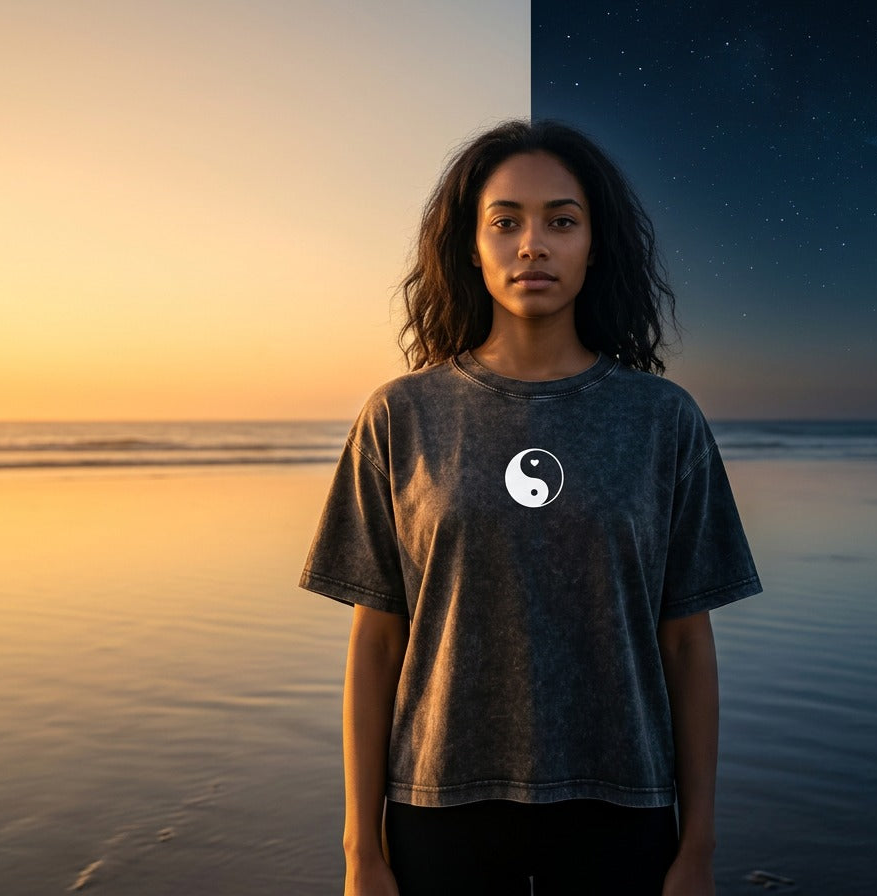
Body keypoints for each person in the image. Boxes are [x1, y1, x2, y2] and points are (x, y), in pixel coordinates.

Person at [300, 119, 761, 896]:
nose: (532, 244)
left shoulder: (661, 420)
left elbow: (686, 643)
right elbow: (378, 641)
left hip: (623, 801)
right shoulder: (402, 416)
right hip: (438, 802)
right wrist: (360, 850)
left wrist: (700, 846)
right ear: (469, 247)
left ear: (595, 244)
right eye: (505, 221)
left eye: (562, 220)